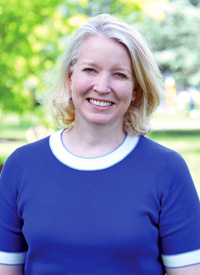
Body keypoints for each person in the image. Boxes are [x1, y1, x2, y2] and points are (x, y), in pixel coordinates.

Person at [0, 14, 200, 275]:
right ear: (71, 78)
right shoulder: (21, 166)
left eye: (119, 75)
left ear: (136, 90)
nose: (102, 87)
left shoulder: (167, 170)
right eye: (90, 70)